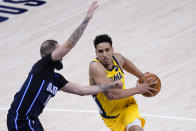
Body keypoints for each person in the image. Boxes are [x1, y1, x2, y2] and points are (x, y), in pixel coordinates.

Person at [7, 2, 123, 131]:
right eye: (59, 51)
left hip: (32, 120)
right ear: (52, 54)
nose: (62, 56)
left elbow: (81, 91)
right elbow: (69, 45)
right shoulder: (42, 67)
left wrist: (110, 86)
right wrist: (87, 18)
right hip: (20, 119)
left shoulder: (55, 78)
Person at [89, 34, 156, 131]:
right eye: (100, 51)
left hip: (127, 106)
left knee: (135, 129)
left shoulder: (118, 58)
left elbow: (125, 62)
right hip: (111, 117)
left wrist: (143, 77)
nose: (104, 55)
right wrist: (137, 89)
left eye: (107, 50)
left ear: (112, 50)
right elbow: (112, 95)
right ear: (95, 52)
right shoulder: (95, 67)